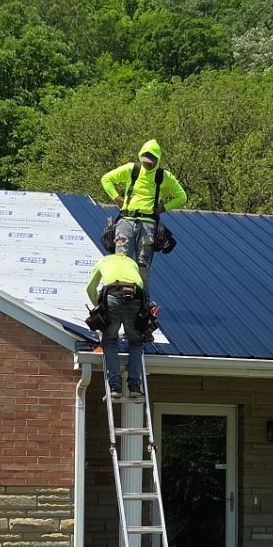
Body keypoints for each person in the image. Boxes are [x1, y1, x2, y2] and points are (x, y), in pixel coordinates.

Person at [99, 139, 187, 281]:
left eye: (152, 159)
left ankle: (142, 300)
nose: (148, 162)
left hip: (148, 223)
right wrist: (116, 198)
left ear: (157, 160)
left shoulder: (164, 176)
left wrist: (164, 208)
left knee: (143, 265)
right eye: (145, 159)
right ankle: (117, 294)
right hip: (126, 220)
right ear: (141, 156)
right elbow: (106, 179)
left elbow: (182, 197)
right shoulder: (132, 169)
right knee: (121, 261)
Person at [86, 251, 149, 397]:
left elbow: (90, 288)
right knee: (135, 342)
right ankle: (134, 387)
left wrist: (98, 307)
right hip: (135, 296)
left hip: (113, 295)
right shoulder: (131, 262)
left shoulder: (104, 261)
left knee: (109, 341)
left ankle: (115, 388)